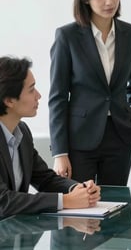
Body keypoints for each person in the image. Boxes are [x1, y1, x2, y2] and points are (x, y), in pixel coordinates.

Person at [49, 0, 131, 185]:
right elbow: (58, 97)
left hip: (121, 136)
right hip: (80, 138)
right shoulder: (67, 36)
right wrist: (60, 152)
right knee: (81, 207)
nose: (109, 1)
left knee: (115, 203)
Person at [0, 56, 100, 218]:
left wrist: (77, 189)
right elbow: (3, 202)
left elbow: (45, 179)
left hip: (12, 233)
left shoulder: (22, 132)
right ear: (10, 100)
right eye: (31, 90)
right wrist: (65, 201)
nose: (38, 95)